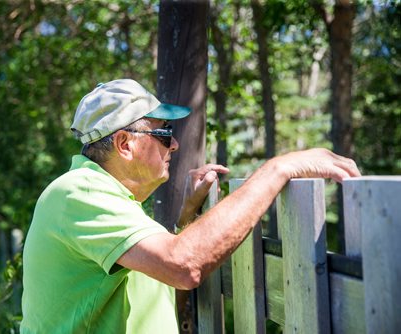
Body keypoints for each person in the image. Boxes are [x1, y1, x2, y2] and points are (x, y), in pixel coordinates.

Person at [20, 79, 360, 333]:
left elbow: (164, 287)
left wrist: (187, 216)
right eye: (164, 133)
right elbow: (184, 267)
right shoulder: (80, 193)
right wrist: (278, 169)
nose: (176, 144)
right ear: (125, 144)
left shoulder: (107, 200)